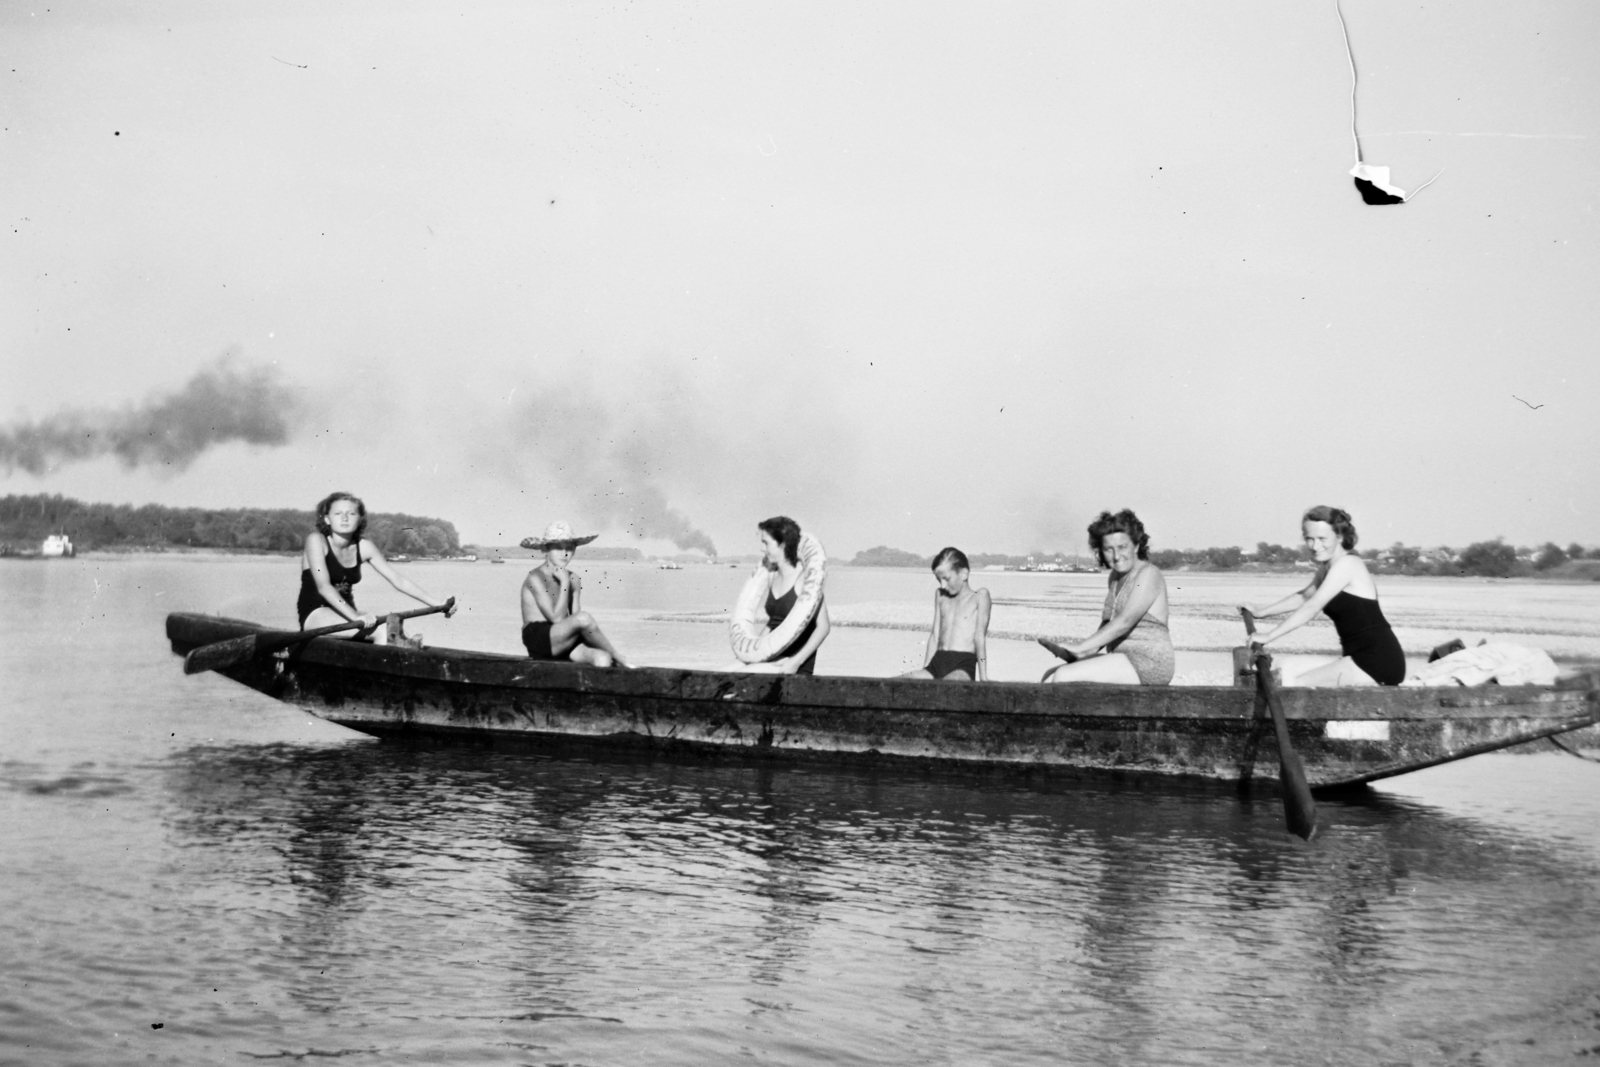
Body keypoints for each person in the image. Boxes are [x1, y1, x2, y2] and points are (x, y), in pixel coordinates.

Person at [1241, 506, 1405, 686]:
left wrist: (1269, 636)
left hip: (1377, 661)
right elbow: (1304, 597)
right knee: (1284, 667)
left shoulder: (1348, 564)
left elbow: (1312, 606)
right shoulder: (1327, 568)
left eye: (1322, 539)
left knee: (1294, 687)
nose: (1314, 546)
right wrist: (1261, 612)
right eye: (1309, 539)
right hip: (1354, 657)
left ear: (1340, 536)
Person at [1039, 509, 1174, 685]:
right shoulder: (1115, 578)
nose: (1117, 556)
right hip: (1122, 658)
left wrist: (1081, 647)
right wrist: (1086, 652)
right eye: (1109, 549)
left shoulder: (1147, 575)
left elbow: (1125, 621)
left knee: (1064, 677)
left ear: (1137, 546)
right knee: (1050, 675)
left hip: (1149, 662)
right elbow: (1108, 625)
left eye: (1122, 547)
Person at [297, 491, 456, 639]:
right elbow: (324, 587)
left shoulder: (364, 546)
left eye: (351, 513)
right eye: (338, 513)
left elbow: (398, 580)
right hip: (314, 613)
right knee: (383, 631)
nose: (344, 518)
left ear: (360, 519)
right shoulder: (316, 540)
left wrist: (437, 604)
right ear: (326, 519)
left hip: (348, 613)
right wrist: (355, 617)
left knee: (397, 632)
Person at [519, 521, 630, 667]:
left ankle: (603, 676)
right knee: (584, 618)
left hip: (564, 637)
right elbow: (557, 618)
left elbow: (574, 620)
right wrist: (565, 583)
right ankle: (618, 656)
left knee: (602, 659)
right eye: (558, 548)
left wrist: (592, 649)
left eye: (570, 548)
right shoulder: (535, 578)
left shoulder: (574, 579)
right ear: (545, 550)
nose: (564, 553)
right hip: (539, 638)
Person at [753, 515, 831, 674]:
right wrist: (755, 649)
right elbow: (774, 623)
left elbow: (823, 627)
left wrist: (796, 662)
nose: (762, 548)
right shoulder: (774, 577)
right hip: (772, 659)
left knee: (731, 680)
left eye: (766, 543)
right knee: (725, 672)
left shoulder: (805, 579)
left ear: (781, 544)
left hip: (792, 667)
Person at [901, 547, 991, 681]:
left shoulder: (979, 596)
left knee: (946, 686)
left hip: (962, 666)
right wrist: (925, 668)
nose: (943, 585)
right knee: (894, 683)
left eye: (946, 579)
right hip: (937, 663)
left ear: (964, 574)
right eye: (939, 580)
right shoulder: (940, 595)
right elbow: (934, 635)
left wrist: (983, 677)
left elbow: (979, 637)